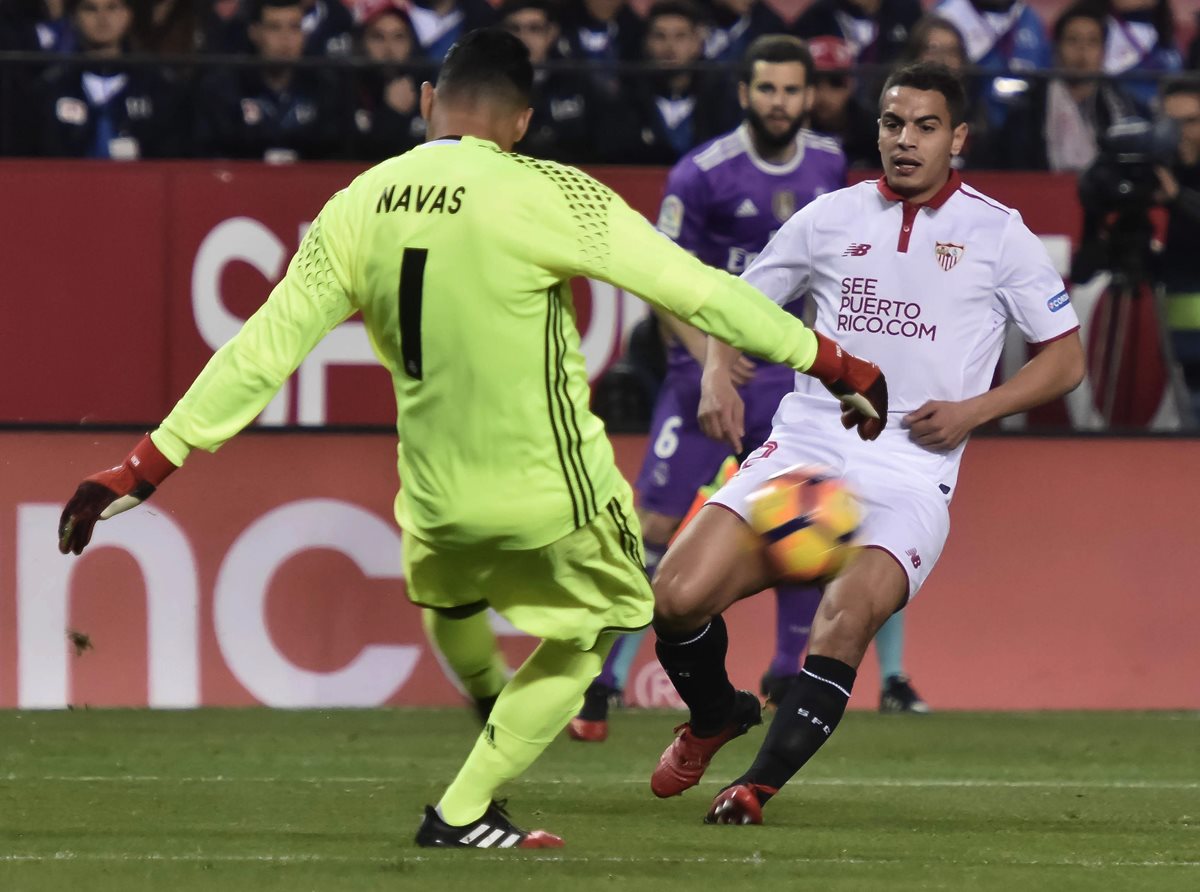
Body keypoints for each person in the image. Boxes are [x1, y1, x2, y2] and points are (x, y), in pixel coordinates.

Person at [57, 28, 889, 848]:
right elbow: (703, 292)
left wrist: (147, 462)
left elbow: (260, 349)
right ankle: (464, 807)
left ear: (427, 102)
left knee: (451, 599)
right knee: (605, 621)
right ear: (522, 122)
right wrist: (832, 359)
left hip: (432, 502)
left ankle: (494, 700)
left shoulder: (358, 203)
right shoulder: (551, 191)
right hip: (549, 493)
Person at [646, 61, 1085, 825]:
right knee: (675, 598)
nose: (905, 141)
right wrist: (717, 368)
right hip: (803, 455)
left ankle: (754, 787)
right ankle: (716, 714)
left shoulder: (998, 232)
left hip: (911, 475)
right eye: (892, 124)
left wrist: (974, 411)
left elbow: (1066, 359)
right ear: (876, 129)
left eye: (925, 127)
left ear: (958, 140)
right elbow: (739, 303)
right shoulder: (831, 217)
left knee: (845, 619)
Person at [569, 34, 847, 743]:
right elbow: (662, 280)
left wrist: (818, 362)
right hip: (705, 373)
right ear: (745, 94)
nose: (779, 103)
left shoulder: (831, 164)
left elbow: (827, 274)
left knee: (803, 519)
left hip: (785, 376)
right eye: (767, 90)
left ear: (807, 96)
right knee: (650, 528)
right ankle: (594, 682)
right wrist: (709, 361)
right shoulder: (701, 173)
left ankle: (788, 670)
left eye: (791, 90)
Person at [195, 0, 346, 161]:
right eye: (274, 27)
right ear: (254, 33)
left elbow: (336, 154)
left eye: (295, 27)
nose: (286, 38)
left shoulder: (324, 87)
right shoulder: (225, 87)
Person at [996, 2, 1138, 172]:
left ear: (1104, 51)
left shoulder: (1121, 105)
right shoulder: (1029, 106)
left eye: (1092, 42)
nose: (1082, 51)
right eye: (1072, 40)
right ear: (1056, 48)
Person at [34, 0, 185, 159]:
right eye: (90, 9)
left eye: (113, 8)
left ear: (129, 14)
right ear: (74, 17)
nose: (103, 18)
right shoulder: (51, 87)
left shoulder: (159, 86)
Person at [601, 0, 736, 164]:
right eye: (660, 36)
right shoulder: (625, 99)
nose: (670, 47)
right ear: (647, 43)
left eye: (680, 36)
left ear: (697, 44)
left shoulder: (721, 98)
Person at [500, 0, 597, 162]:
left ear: (551, 32)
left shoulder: (576, 81)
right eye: (514, 29)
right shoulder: (490, 85)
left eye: (534, 28)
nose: (524, 38)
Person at [1155, 79, 1200, 425]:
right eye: (1172, 123)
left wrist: (1177, 198)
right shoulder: (1151, 166)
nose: (1181, 133)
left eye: (1191, 121)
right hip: (1168, 317)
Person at [349, 0, 429, 161]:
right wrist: (392, 114)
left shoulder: (427, 88)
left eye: (399, 37)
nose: (389, 49)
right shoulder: (346, 90)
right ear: (361, 42)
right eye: (378, 37)